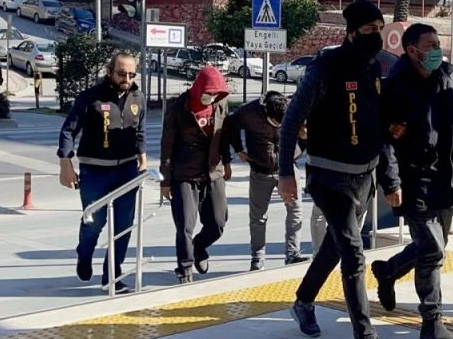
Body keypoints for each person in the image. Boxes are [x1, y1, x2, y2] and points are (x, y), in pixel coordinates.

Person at [278, 0, 398, 339]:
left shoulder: (376, 68)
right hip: (329, 177)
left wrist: (390, 180)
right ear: (351, 32)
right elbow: (290, 122)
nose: (376, 35)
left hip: (365, 176)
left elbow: (380, 131)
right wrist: (285, 172)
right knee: (353, 253)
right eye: (369, 29)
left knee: (335, 247)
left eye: (380, 29)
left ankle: (303, 300)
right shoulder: (324, 69)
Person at [371, 23, 453, 339]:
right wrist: (391, 182)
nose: (438, 50)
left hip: (445, 180)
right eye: (431, 45)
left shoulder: (444, 81)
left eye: (438, 44)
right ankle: (431, 320)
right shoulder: (396, 87)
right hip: (413, 181)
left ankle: (388, 270)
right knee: (433, 250)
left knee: (433, 247)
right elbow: (386, 141)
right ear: (412, 51)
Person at [57, 52, 146, 294]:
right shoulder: (90, 98)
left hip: (127, 171)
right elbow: (68, 131)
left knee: (123, 226)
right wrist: (66, 163)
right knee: (94, 224)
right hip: (95, 172)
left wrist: (142, 158)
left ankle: (112, 277)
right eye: (121, 73)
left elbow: (140, 131)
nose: (127, 79)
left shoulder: (138, 97)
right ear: (109, 71)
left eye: (131, 74)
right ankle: (84, 253)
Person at [160, 66, 232, 284]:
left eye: (217, 93)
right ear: (199, 88)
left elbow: (224, 135)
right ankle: (185, 268)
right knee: (185, 225)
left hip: (212, 171)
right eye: (209, 93)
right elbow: (167, 145)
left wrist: (227, 162)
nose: (212, 97)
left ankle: (199, 246)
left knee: (218, 223)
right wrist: (165, 180)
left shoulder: (220, 104)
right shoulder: (177, 107)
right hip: (184, 173)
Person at [227, 91, 307, 271]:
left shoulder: (293, 108)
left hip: (288, 168)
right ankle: (257, 257)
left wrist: (303, 141)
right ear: (266, 113)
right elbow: (230, 124)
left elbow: (306, 129)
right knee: (258, 216)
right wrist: (238, 149)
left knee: (295, 210)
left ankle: (292, 254)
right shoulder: (249, 112)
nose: (279, 125)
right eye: (275, 122)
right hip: (261, 170)